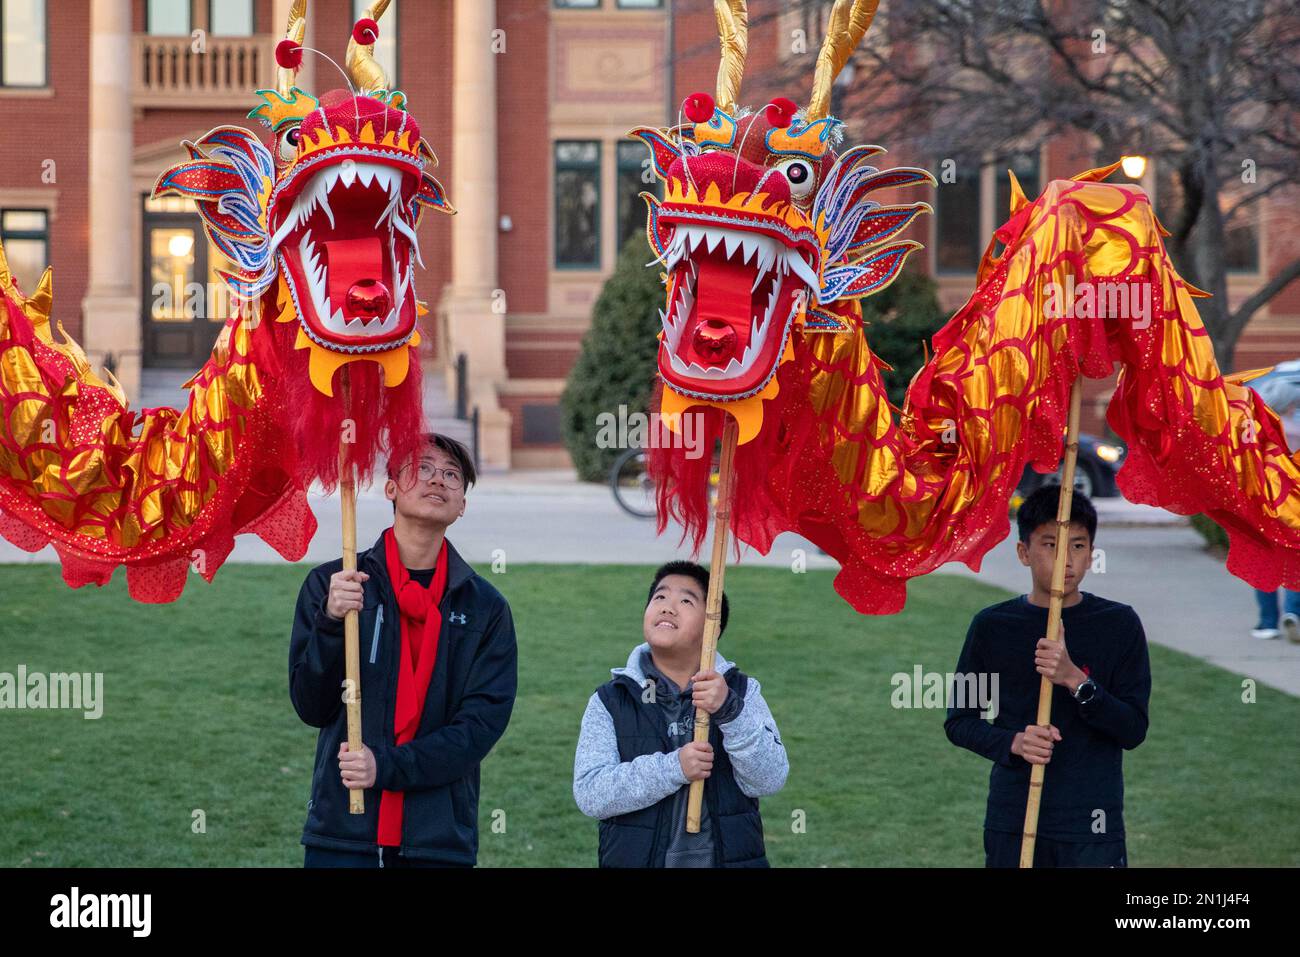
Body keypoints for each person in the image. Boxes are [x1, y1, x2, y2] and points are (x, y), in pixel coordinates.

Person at [289, 433, 517, 867]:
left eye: (452, 475)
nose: (438, 481)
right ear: (390, 487)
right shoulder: (335, 585)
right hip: (343, 834)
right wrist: (331, 623)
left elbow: (479, 728)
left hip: (436, 839)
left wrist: (387, 766)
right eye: (423, 468)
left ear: (462, 505)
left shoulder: (485, 607)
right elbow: (310, 706)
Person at [945, 485, 1150, 868]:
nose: (1065, 560)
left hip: (1090, 824)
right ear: (1024, 552)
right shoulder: (993, 625)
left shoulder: (1119, 625)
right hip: (1015, 818)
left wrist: (1076, 680)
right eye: (1050, 545)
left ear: (1091, 555)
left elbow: (1133, 729)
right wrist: (1015, 742)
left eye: (1078, 546)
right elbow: (960, 722)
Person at [573, 560, 788, 867]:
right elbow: (591, 793)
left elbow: (769, 779)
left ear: (712, 626)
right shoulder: (612, 700)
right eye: (659, 597)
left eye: (686, 600)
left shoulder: (741, 692)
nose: (668, 607)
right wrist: (673, 768)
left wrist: (729, 711)